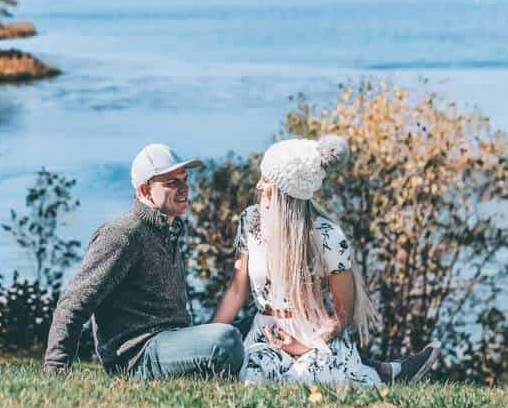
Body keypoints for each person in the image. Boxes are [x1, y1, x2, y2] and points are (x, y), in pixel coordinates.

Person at [212, 135, 441, 386]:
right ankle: (386, 372)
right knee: (253, 377)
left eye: (266, 180)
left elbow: (344, 312)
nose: (258, 186)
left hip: (314, 335)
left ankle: (386, 374)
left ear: (286, 193)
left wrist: (305, 345)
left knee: (310, 378)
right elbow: (236, 291)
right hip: (266, 335)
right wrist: (209, 341)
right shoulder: (250, 221)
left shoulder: (328, 237)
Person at [44, 144, 244, 379]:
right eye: (172, 182)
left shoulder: (169, 229)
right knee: (225, 341)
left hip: (171, 343)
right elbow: (73, 304)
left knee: (254, 327)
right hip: (138, 358)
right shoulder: (122, 235)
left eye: (185, 179)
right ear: (145, 191)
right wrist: (56, 369)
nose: (184, 188)